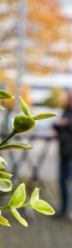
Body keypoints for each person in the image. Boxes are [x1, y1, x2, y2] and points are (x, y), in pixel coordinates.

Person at [53, 90, 72, 219]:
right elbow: (58, 125)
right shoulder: (66, 111)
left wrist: (66, 124)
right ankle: (64, 209)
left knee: (69, 182)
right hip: (64, 152)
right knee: (62, 182)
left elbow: (64, 124)